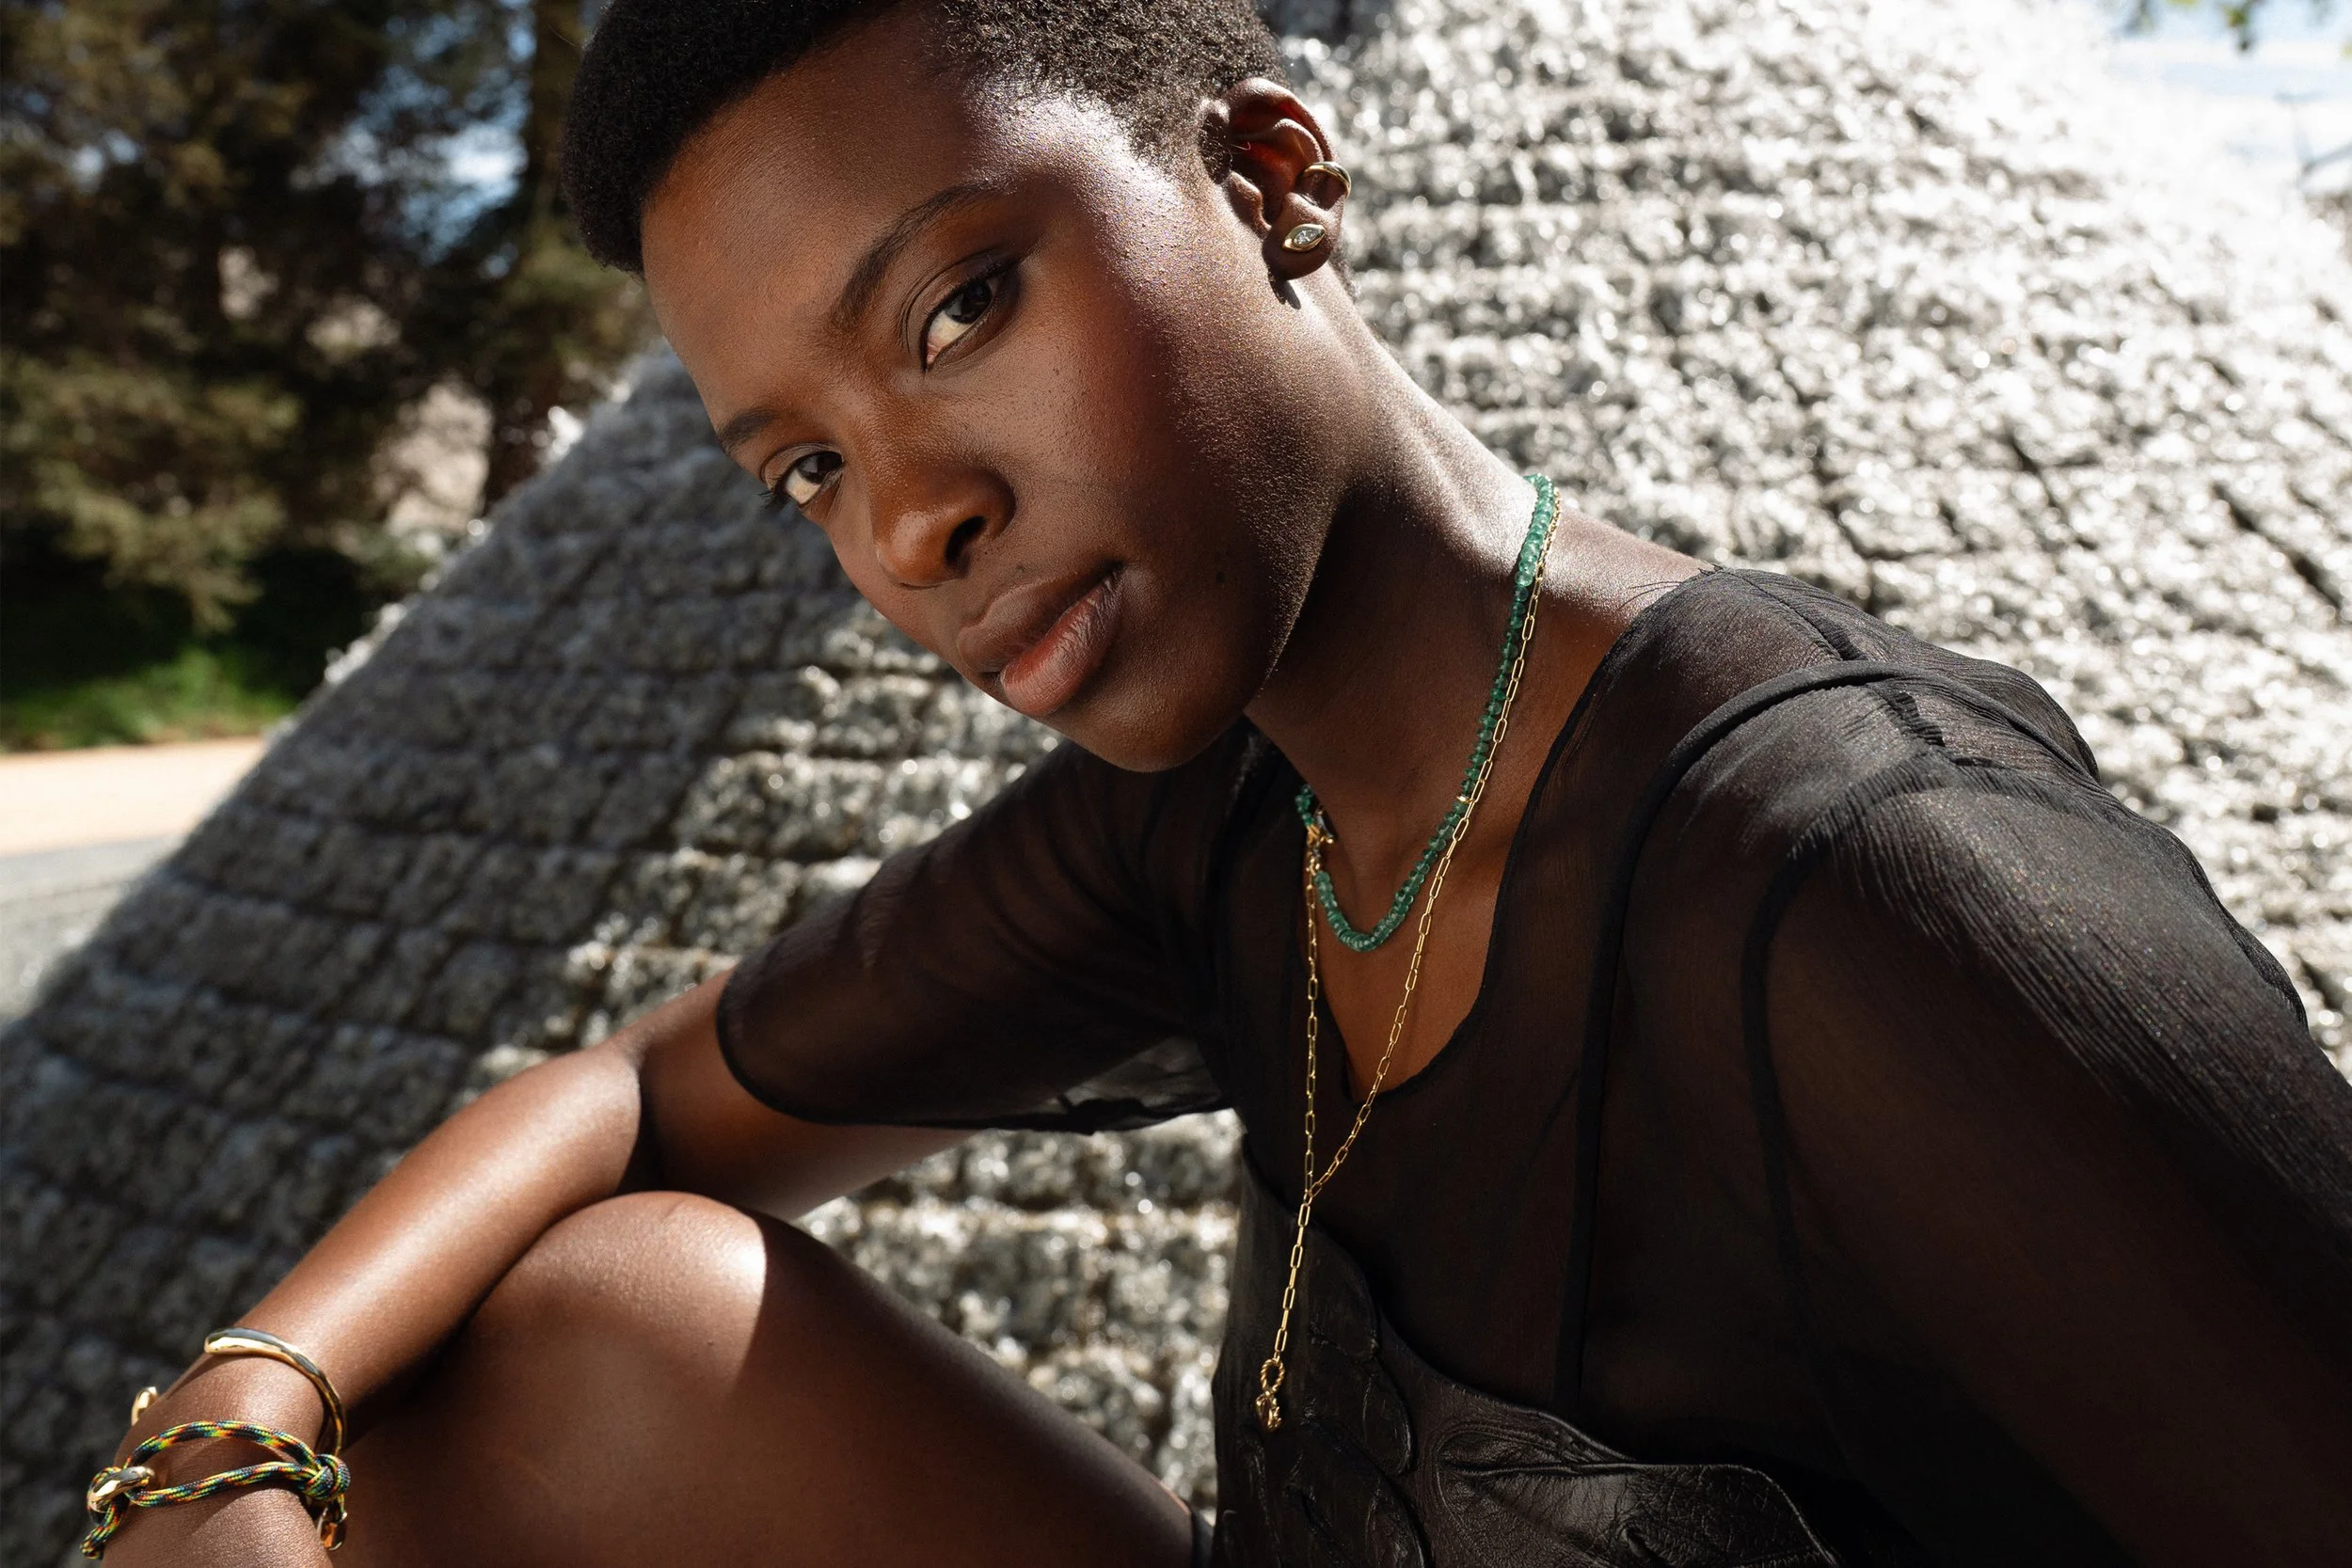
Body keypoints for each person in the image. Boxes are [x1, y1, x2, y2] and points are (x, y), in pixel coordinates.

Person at [83, 1, 2352, 1563]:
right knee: (604, 1324)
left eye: (956, 307)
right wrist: (227, 1418)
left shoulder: (1878, 899)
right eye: (801, 468)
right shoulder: (1232, 808)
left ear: (1272, 173)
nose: (905, 527)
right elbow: (630, 1106)